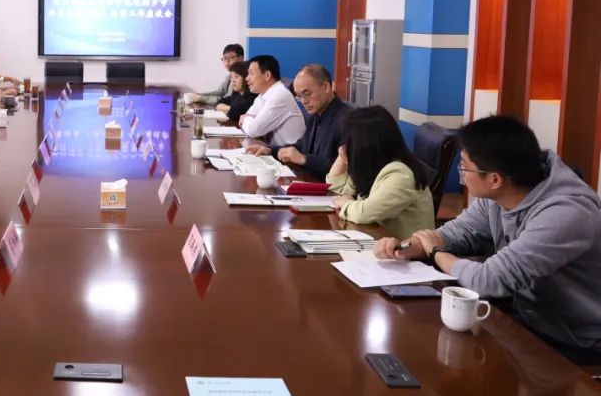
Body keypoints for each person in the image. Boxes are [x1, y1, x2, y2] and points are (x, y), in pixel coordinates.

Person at [374, 115, 601, 356]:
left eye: (464, 167)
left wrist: (437, 252)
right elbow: (458, 232)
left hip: (573, 339)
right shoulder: (500, 195)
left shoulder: (565, 215)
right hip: (525, 316)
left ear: (494, 179)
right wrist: (409, 246)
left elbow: (488, 280)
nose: (460, 176)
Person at [325, 106, 434, 239]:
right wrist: (342, 155)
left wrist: (345, 203)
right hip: (383, 243)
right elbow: (336, 186)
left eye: (350, 142)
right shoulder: (375, 166)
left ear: (365, 146)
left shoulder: (401, 175)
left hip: (406, 250)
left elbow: (363, 213)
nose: (345, 146)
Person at [250, 64, 349, 180]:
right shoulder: (316, 113)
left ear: (326, 87)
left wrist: (304, 159)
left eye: (306, 94)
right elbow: (303, 146)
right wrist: (270, 150)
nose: (303, 101)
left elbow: (345, 168)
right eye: (299, 96)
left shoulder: (348, 120)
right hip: (309, 181)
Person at [240, 54, 305, 146]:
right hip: (273, 150)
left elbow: (252, 130)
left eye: (251, 73)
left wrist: (246, 119)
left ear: (267, 75)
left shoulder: (280, 95)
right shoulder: (262, 95)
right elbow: (246, 122)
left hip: (290, 153)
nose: (247, 78)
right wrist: (248, 119)